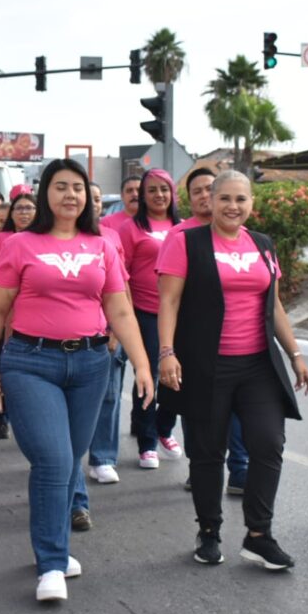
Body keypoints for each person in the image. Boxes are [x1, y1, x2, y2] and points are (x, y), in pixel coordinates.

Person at [0, 159, 153, 603]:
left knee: (69, 459)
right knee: (55, 461)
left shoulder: (102, 245)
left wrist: (144, 365)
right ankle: (52, 562)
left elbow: (119, 309)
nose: (70, 195)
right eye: (60, 187)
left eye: (77, 187)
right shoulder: (19, 244)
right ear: (45, 195)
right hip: (30, 362)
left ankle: (53, 544)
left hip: (91, 363)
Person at [157, 170, 308, 571]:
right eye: (224, 198)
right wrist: (167, 353)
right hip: (205, 363)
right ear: (210, 200)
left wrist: (295, 354)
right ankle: (209, 532)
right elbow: (170, 302)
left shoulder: (262, 245)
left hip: (258, 364)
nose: (233, 206)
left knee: (268, 442)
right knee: (209, 452)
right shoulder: (186, 242)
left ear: (251, 203)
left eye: (241, 199)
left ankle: (258, 535)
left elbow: (274, 306)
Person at [170, 168, 250, 495]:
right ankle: (199, 462)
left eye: (209, 188)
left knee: (239, 408)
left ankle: (240, 468)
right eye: (199, 191)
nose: (205, 196)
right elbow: (171, 297)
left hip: (240, 346)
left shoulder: (244, 236)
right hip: (196, 340)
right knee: (198, 409)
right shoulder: (181, 238)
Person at [68, 182, 133, 533]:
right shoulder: (36, 242)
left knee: (107, 399)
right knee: (65, 432)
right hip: (51, 352)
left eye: (94, 197)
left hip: (102, 339)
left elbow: (120, 292)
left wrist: (115, 332)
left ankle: (103, 457)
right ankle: (74, 496)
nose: (87, 202)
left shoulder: (110, 238)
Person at [120, 169, 182, 470]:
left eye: (164, 189)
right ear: (142, 196)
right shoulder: (131, 228)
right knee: (149, 376)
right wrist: (126, 313)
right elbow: (122, 274)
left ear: (173, 194)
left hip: (181, 313)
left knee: (179, 377)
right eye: (152, 190)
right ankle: (146, 443)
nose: (159, 195)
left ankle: (164, 429)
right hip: (144, 312)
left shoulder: (183, 227)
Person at [0, 188, 38, 439]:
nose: (24, 213)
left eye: (29, 208)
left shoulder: (43, 240)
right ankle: (0, 416)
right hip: (2, 316)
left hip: (33, 320)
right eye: (19, 208)